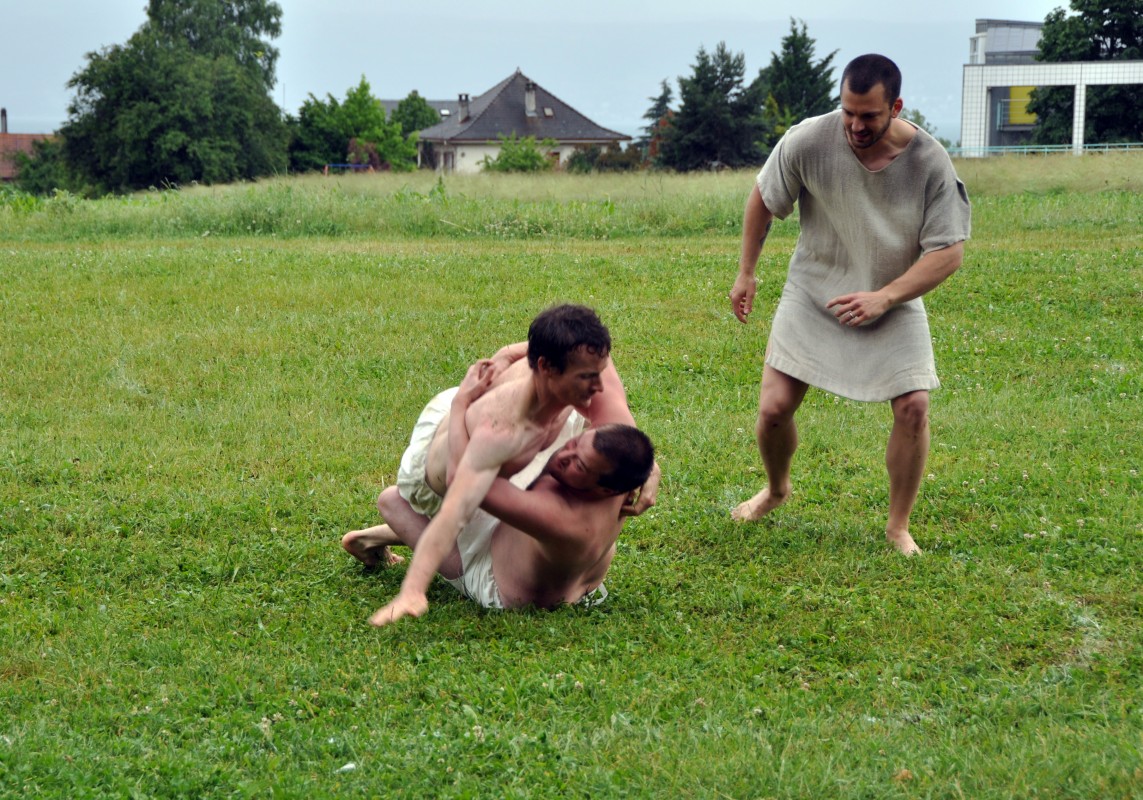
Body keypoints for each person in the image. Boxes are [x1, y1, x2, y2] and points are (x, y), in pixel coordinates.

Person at [728, 53, 971, 555]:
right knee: (773, 409)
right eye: (848, 112)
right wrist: (747, 272)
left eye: (869, 116)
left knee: (914, 407)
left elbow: (948, 252)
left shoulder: (929, 161)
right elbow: (763, 199)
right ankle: (776, 489)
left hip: (891, 298)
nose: (856, 126)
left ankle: (897, 526)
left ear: (896, 108)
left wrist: (885, 297)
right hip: (813, 291)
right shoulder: (807, 139)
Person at [359, 304, 643, 625]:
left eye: (597, 372)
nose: (599, 385)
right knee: (432, 498)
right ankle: (390, 521)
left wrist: (648, 471)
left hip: (506, 431)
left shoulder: (580, 370)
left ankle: (375, 535)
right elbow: (455, 506)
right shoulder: (502, 434)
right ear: (547, 368)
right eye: (587, 377)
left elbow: (624, 435)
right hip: (438, 467)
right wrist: (413, 589)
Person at [343, 391, 655, 612]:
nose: (565, 455)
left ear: (607, 491)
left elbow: (462, 477)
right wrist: (651, 469)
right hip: (555, 567)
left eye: (580, 465)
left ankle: (367, 540)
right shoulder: (623, 478)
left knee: (393, 501)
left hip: (500, 585)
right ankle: (376, 540)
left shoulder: (559, 518)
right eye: (576, 444)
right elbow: (603, 372)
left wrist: (462, 403)